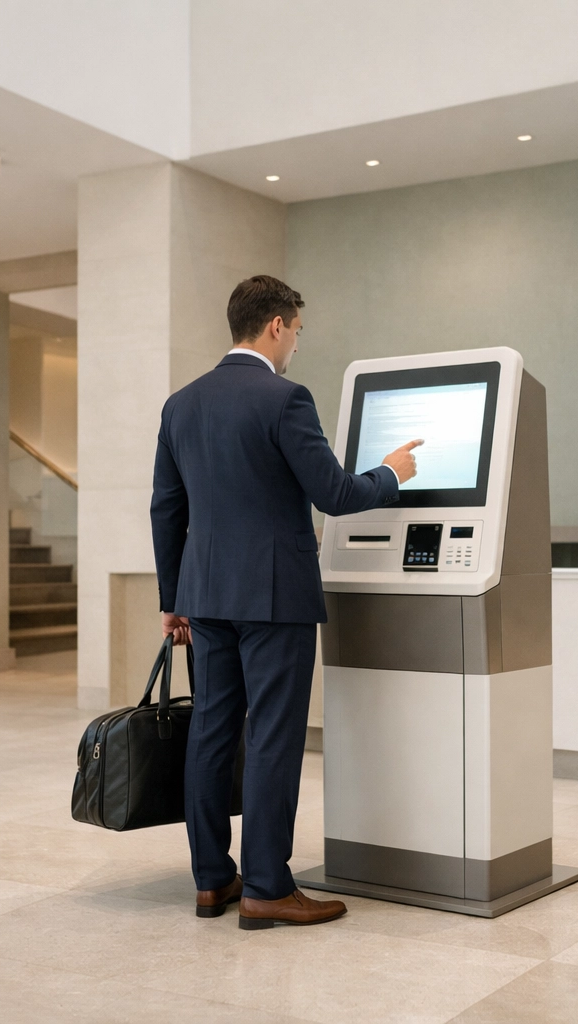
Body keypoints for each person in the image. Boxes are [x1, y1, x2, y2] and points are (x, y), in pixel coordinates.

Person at [151, 275, 421, 929]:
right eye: (296, 331)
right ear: (275, 325)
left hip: (206, 596)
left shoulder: (181, 405)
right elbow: (333, 492)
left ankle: (213, 882)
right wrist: (390, 473)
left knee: (212, 734)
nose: (296, 344)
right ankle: (268, 886)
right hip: (275, 597)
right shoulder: (284, 397)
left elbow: (166, 507)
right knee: (272, 736)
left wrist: (172, 598)